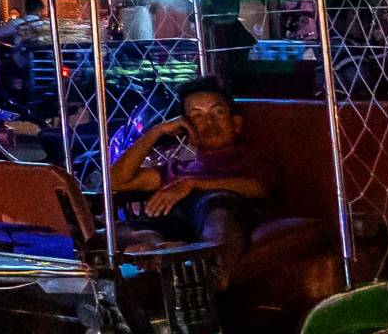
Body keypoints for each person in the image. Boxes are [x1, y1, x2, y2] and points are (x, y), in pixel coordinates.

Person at [108, 79, 275, 287]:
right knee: (116, 231)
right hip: (177, 231)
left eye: (218, 113)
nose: (209, 123)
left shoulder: (249, 160)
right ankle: (167, 251)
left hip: (220, 223)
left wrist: (193, 185)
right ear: (186, 129)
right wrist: (157, 131)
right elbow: (116, 181)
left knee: (218, 206)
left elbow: (259, 187)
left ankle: (209, 270)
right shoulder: (177, 169)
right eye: (197, 116)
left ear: (236, 123)